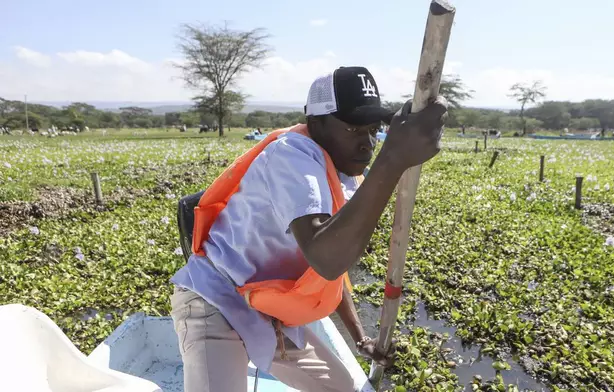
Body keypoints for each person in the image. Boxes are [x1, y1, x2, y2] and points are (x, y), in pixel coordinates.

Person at [169, 66, 447, 392]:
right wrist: (393, 159)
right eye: (354, 129)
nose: (368, 143)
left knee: (342, 388)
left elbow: (327, 275)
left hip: (267, 311)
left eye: (373, 130)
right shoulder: (292, 154)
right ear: (316, 124)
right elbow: (325, 257)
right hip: (215, 302)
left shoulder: (345, 176)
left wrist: (360, 338)